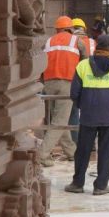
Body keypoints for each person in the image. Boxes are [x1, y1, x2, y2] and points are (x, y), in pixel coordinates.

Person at [65, 34, 109, 196]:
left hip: (88, 115)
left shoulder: (82, 66)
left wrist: (85, 106)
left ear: (96, 47)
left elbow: (74, 93)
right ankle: (101, 186)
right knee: (106, 151)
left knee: (83, 150)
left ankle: (78, 183)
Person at [39, 15, 82, 163]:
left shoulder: (48, 41)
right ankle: (41, 155)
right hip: (67, 83)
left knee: (57, 119)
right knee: (60, 122)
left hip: (49, 83)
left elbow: (40, 62)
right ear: (70, 28)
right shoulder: (76, 41)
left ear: (57, 29)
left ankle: (72, 152)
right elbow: (87, 61)